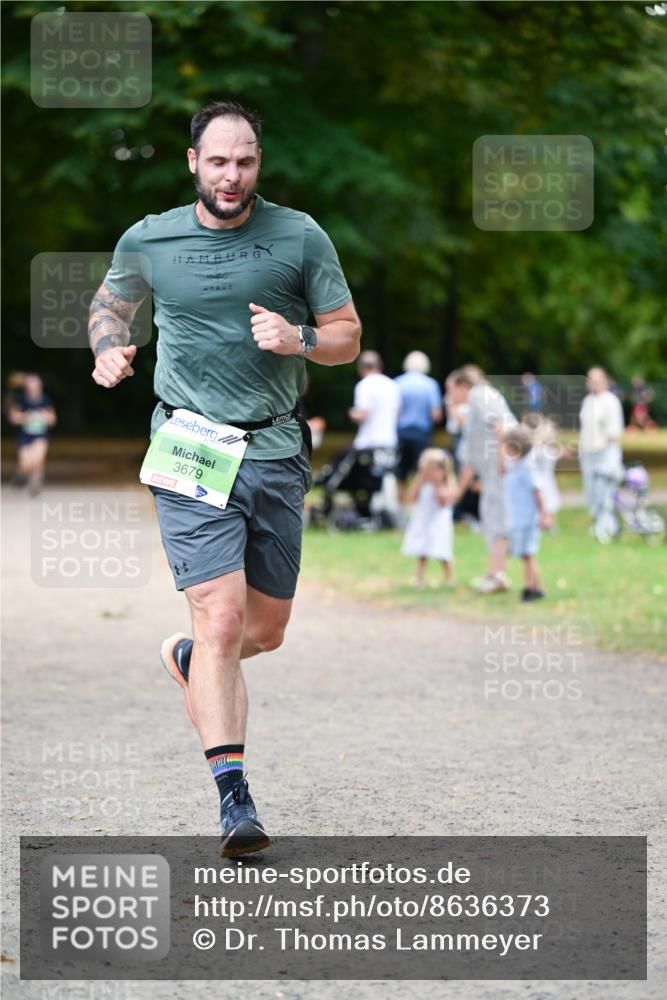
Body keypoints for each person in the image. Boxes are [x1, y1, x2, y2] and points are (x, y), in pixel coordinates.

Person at [88, 100, 361, 858]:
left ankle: (191, 663)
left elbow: (346, 336)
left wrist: (300, 337)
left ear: (257, 165)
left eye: (243, 161)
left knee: (261, 632)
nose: (231, 175)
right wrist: (108, 348)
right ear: (192, 164)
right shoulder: (151, 237)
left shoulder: (298, 235)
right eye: (217, 162)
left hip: (272, 450)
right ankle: (234, 802)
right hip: (187, 445)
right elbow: (109, 305)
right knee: (220, 619)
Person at [449, 366, 517, 593]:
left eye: (451, 390)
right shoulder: (473, 408)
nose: (451, 397)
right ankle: (497, 572)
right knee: (491, 516)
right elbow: (469, 459)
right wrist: (458, 491)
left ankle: (497, 575)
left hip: (501, 469)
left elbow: (499, 425)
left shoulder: (479, 395)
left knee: (497, 518)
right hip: (492, 472)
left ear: (463, 386)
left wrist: (502, 458)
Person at [500, 426, 552, 601]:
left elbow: (538, 492)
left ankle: (531, 588)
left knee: (528, 555)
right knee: (525, 555)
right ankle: (536, 586)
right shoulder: (514, 466)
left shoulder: (527, 468)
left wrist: (544, 514)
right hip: (517, 518)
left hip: (527, 520)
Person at [347, 350, 401, 521]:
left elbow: (363, 413)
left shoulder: (364, 385)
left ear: (361, 367)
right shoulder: (392, 385)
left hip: (369, 441)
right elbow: (398, 412)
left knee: (365, 478)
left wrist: (352, 414)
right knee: (386, 475)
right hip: (390, 438)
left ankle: (369, 510)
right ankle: (387, 509)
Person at [401, 448, 455, 588]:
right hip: (423, 522)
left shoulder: (445, 486)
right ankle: (419, 577)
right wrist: (419, 481)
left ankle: (449, 577)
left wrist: (437, 484)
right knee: (422, 552)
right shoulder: (423, 485)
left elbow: (443, 502)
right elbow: (411, 498)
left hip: (438, 524)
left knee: (443, 552)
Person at [394, 351, 443, 496]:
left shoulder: (398, 383)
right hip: (421, 434)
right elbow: (436, 414)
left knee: (399, 471)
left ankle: (399, 501)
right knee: (422, 469)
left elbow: (394, 411)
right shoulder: (431, 385)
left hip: (400, 432)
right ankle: (415, 501)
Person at [578, 367, 624, 520]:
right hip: (588, 454)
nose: (594, 383)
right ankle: (597, 523)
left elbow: (614, 431)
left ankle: (608, 524)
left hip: (605, 454)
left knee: (605, 491)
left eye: (597, 380)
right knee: (591, 491)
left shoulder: (611, 400)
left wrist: (602, 448)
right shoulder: (588, 401)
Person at [8, 373, 57, 495]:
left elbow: (52, 419)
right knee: (25, 463)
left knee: (38, 459)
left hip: (40, 435)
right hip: (25, 435)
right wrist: (27, 417)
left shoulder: (45, 400)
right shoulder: (21, 399)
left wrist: (44, 416)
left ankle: (35, 483)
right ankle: (21, 475)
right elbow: (13, 417)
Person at [522, 412, 562, 525]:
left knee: (544, 508)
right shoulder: (549, 448)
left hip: (540, 481)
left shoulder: (538, 449)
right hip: (547, 480)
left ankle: (547, 523)